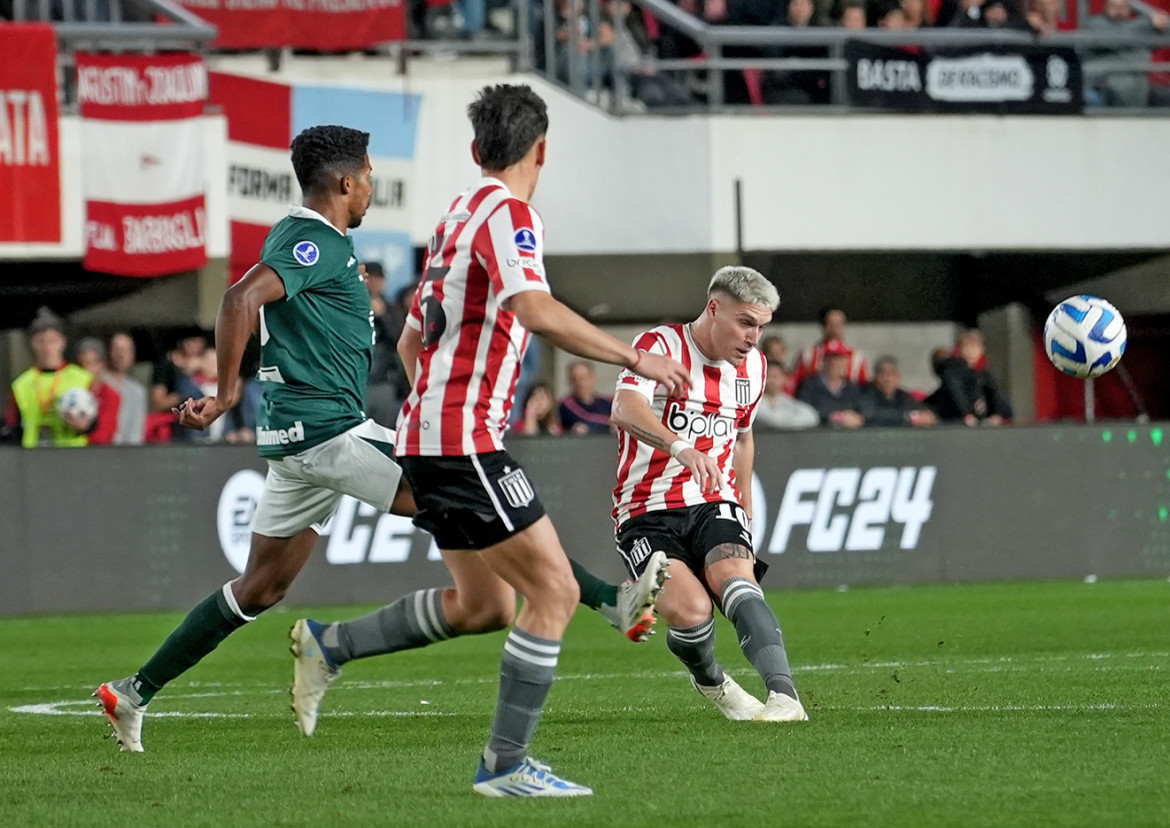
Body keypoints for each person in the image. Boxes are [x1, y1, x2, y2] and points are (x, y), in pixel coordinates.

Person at [287, 86, 690, 798]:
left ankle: (331, 644)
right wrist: (636, 358)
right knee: (554, 592)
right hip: (462, 439)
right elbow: (533, 309)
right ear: (543, 150)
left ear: (477, 151)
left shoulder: (455, 216)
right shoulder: (509, 214)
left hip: (428, 435)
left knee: (485, 606)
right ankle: (505, 765)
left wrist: (436, 411)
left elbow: (413, 340)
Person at [611, 266, 807, 723]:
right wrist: (680, 447)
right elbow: (625, 407)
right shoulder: (661, 345)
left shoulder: (753, 368)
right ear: (713, 308)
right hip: (644, 509)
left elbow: (742, 438)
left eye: (761, 327)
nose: (753, 338)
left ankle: (785, 697)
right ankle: (712, 680)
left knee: (737, 578)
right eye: (745, 323)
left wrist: (746, 510)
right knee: (692, 611)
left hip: (713, 502)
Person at [4, 308, 95, 447]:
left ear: (62, 342)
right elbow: (13, 427)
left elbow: (97, 423)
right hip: (32, 457)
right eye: (41, 341)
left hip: (72, 455)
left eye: (52, 341)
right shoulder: (21, 384)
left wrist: (85, 426)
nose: (47, 348)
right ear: (33, 344)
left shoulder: (82, 378)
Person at [1085, 0, 1170, 108]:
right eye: (1114, 7)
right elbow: (1117, 37)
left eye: (1122, 7)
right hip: (1102, 82)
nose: (1118, 11)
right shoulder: (1095, 24)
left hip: (1137, 82)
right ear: (1105, 7)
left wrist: (1152, 14)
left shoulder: (1143, 26)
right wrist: (1149, 20)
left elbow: (1166, 27)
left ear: (1131, 9)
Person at [925, 329, 1013, 425]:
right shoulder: (952, 370)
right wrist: (966, 414)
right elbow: (956, 392)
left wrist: (997, 413)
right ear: (960, 349)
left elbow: (995, 394)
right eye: (968, 347)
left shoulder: (984, 374)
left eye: (976, 347)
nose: (972, 352)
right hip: (955, 421)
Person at [793, 305, 868, 388]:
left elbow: (863, 386)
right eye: (830, 324)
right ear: (823, 326)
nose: (834, 328)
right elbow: (797, 382)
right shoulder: (808, 354)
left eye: (838, 324)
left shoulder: (857, 356)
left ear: (844, 326)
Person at [796, 339, 866, 428]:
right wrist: (837, 417)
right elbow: (804, 412)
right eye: (830, 359)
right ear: (823, 361)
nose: (834, 363)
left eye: (839, 359)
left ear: (845, 362)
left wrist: (855, 417)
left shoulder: (851, 387)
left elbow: (861, 411)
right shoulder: (809, 385)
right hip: (818, 435)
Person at [860, 355, 937, 427]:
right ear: (874, 376)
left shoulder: (902, 396)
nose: (887, 379)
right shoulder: (865, 393)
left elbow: (920, 409)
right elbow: (870, 414)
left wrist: (926, 416)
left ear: (898, 377)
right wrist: (909, 418)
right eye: (882, 374)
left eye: (891, 374)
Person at [74, 338, 122, 446]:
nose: (84, 369)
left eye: (89, 363)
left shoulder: (111, 395)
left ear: (101, 365)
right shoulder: (71, 391)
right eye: (80, 365)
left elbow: (103, 434)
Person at [106, 332, 147, 445]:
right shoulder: (98, 384)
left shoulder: (137, 391)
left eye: (126, 350)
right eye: (117, 349)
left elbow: (137, 431)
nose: (121, 355)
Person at [754, 360, 819, 430]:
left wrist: (790, 422)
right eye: (768, 376)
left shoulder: (786, 400)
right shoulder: (753, 403)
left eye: (776, 376)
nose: (772, 381)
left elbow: (812, 416)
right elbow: (774, 421)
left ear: (784, 379)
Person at [558, 360, 612, 434]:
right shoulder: (564, 407)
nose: (579, 383)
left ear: (593, 378)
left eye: (583, 378)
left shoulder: (607, 404)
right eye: (574, 379)